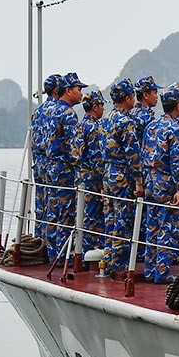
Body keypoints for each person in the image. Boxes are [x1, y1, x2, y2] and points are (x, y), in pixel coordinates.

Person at [31, 72, 85, 262]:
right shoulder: (67, 113)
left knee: (48, 212)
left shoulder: (39, 112)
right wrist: (79, 166)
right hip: (62, 169)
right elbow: (75, 150)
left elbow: (35, 143)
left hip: (42, 167)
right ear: (67, 90)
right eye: (79, 89)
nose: (81, 94)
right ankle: (62, 258)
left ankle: (47, 252)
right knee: (65, 215)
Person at [140, 82, 179, 283]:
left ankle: (150, 270)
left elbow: (143, 155)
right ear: (178, 105)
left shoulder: (152, 125)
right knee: (168, 226)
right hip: (166, 181)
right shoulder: (176, 130)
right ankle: (162, 272)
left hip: (150, 180)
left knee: (152, 226)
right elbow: (177, 162)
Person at [100, 78, 142, 276]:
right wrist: (139, 181)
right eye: (132, 95)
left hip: (107, 173)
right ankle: (118, 265)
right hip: (122, 175)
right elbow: (133, 155)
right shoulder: (126, 122)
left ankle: (108, 258)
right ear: (127, 98)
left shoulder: (106, 118)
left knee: (110, 218)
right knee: (122, 220)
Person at [77, 88, 107, 258]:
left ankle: (80, 251)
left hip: (80, 176)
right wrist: (103, 183)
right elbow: (97, 159)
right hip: (92, 179)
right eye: (102, 105)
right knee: (92, 217)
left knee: (83, 214)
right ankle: (85, 254)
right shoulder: (94, 128)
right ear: (95, 107)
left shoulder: (80, 125)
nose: (103, 109)